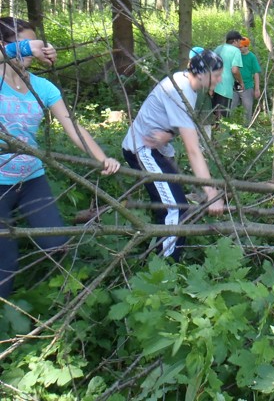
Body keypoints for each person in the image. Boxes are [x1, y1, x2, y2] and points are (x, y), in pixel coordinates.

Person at [0, 17, 120, 299]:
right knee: (4, 261)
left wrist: (102, 158)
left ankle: (49, 301)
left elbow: (74, 128)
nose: (29, 54)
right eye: (22, 46)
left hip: (31, 178)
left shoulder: (43, 88)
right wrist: (33, 47)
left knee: (55, 243)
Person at [122, 49, 226, 261]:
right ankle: (166, 270)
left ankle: (163, 259)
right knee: (176, 211)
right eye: (216, 75)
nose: (220, 79)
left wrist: (168, 134)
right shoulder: (181, 91)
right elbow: (193, 150)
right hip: (142, 150)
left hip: (156, 150)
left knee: (175, 205)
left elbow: (167, 119)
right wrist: (211, 193)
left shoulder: (186, 83)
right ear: (202, 74)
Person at [212, 30, 245, 121]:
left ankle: (211, 134)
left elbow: (211, 64)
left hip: (213, 86)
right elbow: (235, 70)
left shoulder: (219, 48)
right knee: (222, 119)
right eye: (239, 41)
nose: (240, 43)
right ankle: (220, 134)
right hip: (225, 89)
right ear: (235, 41)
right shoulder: (236, 51)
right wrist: (241, 82)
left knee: (212, 117)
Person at [230, 37, 261, 126]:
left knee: (247, 109)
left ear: (247, 46)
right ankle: (230, 127)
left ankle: (246, 128)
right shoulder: (236, 55)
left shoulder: (252, 57)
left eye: (242, 47)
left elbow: (256, 73)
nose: (240, 48)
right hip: (235, 85)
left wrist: (257, 89)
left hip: (247, 86)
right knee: (232, 107)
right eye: (239, 47)